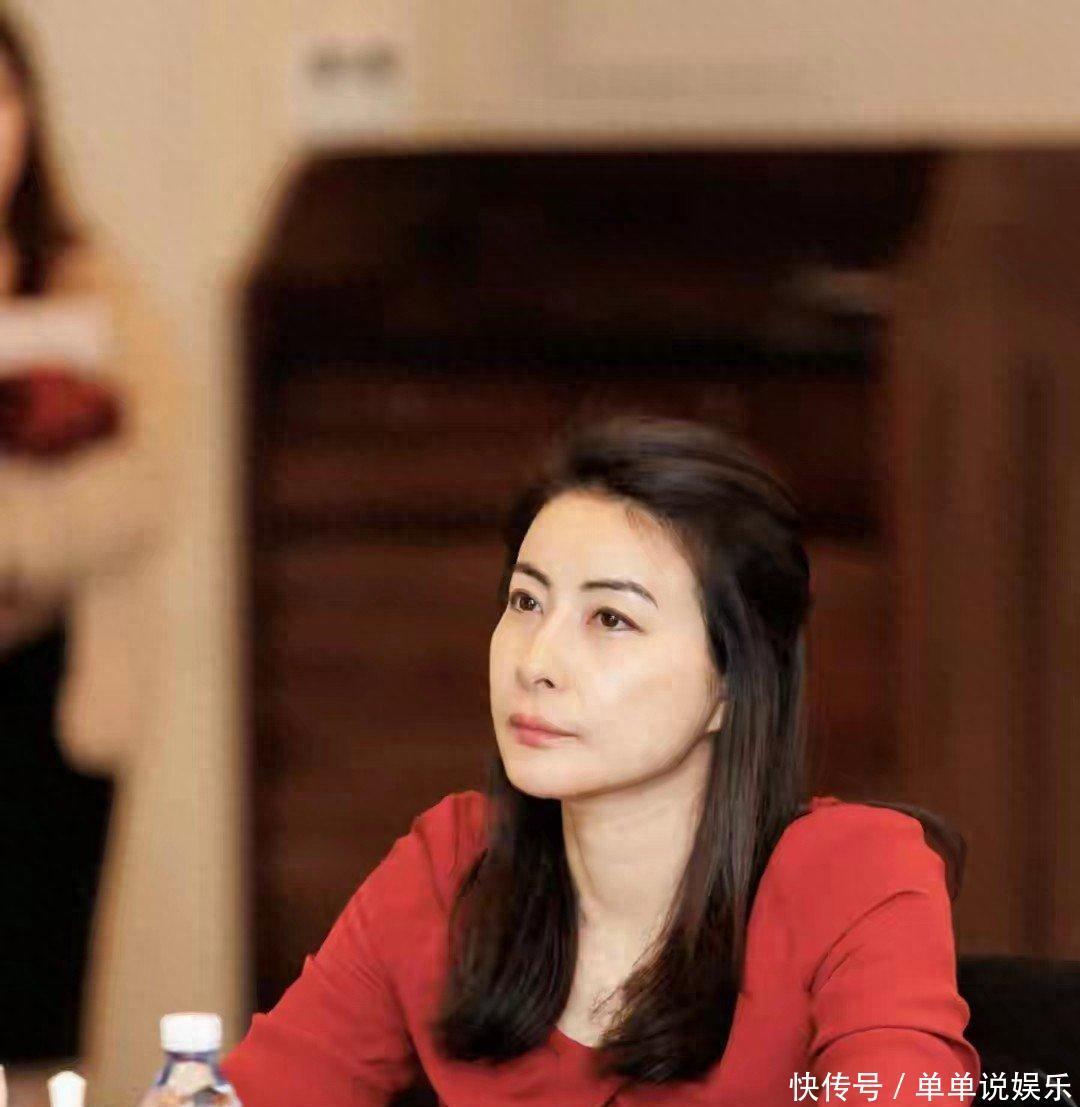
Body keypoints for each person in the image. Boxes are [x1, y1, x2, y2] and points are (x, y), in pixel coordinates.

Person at [222, 414, 982, 1105]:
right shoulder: (451, 868)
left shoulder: (856, 875)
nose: (537, 662)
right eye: (526, 602)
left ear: (733, 684)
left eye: (611, 618)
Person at [0, 11, 183, 1064]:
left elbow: (151, 475)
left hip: (53, 692)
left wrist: (19, 533)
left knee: (34, 1004)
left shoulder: (89, 284)